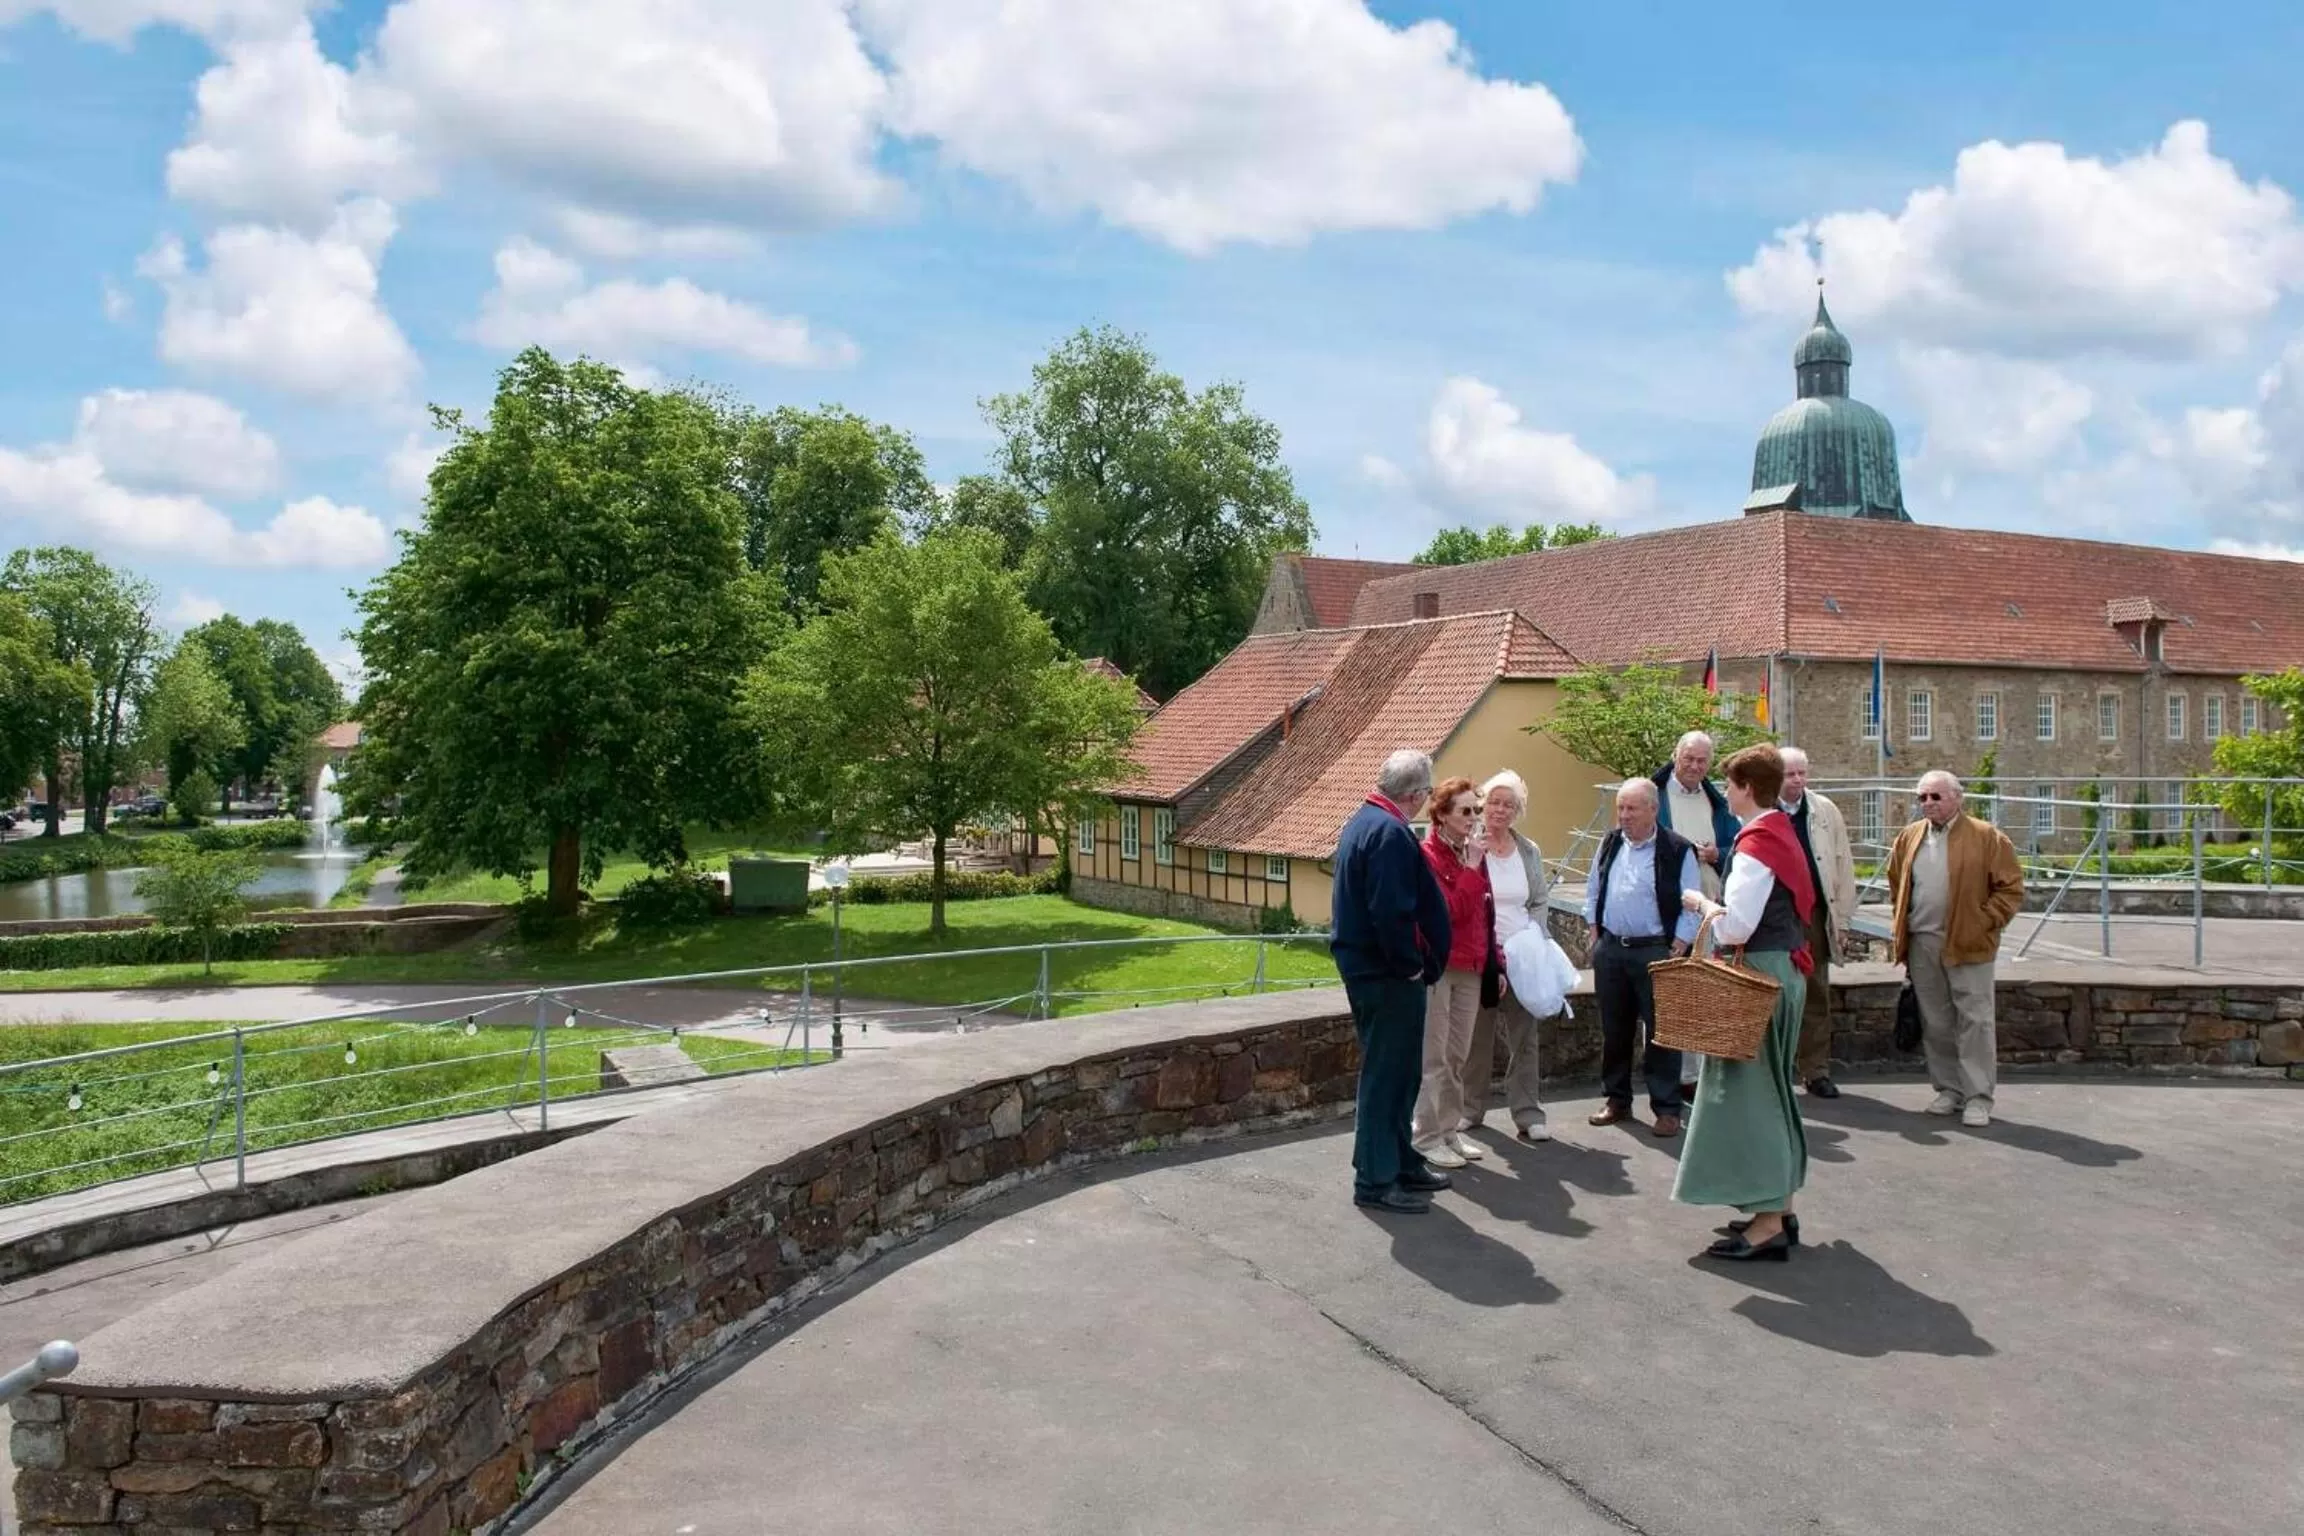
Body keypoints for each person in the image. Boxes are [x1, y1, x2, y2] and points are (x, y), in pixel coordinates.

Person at [1676, 743, 1815, 1261]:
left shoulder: (1757, 843)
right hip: (1779, 968)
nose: (1726, 791)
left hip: (1759, 974)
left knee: (1753, 1096)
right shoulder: (1781, 831)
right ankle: (1773, 1208)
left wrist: (1701, 903)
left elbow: (1737, 924)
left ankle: (1771, 1220)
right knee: (1770, 1089)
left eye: (1730, 783)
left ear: (1746, 788)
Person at [1331, 750, 1456, 1214]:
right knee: (1387, 1076)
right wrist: (1410, 964)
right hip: (1386, 976)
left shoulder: (1369, 822)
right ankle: (1376, 1178)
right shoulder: (1387, 833)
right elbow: (1391, 913)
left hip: (1377, 972)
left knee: (1401, 1074)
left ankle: (1399, 1160)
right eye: (1427, 792)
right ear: (1416, 794)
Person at [1884, 771, 2023, 1128]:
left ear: (1957, 798)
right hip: (1923, 940)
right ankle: (1949, 1089)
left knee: (1975, 1020)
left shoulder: (1987, 837)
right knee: (1936, 1019)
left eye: (1936, 796)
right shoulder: (1909, 837)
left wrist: (1983, 921)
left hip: (1969, 941)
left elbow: (2010, 889)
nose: (1928, 803)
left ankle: (1978, 1096)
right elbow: (1896, 881)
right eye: (1922, 797)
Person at [1582, 778, 1703, 1136]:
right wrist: (1593, 931)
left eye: (1632, 808)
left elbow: (1692, 901)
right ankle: (1616, 1100)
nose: (1624, 815)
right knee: (1615, 1029)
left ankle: (1666, 1108)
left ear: (1654, 809)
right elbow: (1594, 888)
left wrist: (1679, 944)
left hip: (1656, 949)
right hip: (1612, 950)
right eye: (1620, 808)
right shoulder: (1609, 843)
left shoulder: (1678, 849)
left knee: (1662, 1033)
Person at [1412, 776, 1502, 1170]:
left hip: (1471, 966)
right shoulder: (1429, 856)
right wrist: (1470, 868)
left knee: (1458, 1055)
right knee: (1434, 1057)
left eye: (1475, 810)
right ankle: (1426, 1136)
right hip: (1441, 966)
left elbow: (1485, 914)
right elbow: (1447, 914)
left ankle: (1449, 1130)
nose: (1473, 818)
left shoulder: (1470, 853)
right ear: (1442, 816)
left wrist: (1495, 961)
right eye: (1465, 811)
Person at [1462, 770, 1554, 1143]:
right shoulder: (1468, 846)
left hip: (1521, 956)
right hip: (1480, 958)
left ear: (1518, 811)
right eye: (1495, 802)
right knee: (1475, 1039)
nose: (1500, 810)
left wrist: (1535, 934)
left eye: (1509, 805)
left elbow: (1539, 899)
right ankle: (1470, 1109)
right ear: (1483, 806)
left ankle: (1528, 1114)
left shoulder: (1527, 849)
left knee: (1525, 1039)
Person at [1653, 731, 1742, 1100]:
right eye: (1688, 758)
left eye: (1702, 761)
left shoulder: (1716, 801)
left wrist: (1715, 854)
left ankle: (1697, 1076)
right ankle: (1671, 1075)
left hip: (1709, 909)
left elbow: (1737, 846)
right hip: (1669, 911)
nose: (1694, 766)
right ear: (1675, 755)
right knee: (1668, 996)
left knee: (1703, 994)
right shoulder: (1655, 797)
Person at [1779, 747, 1859, 1098]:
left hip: (1813, 914)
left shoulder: (1825, 810)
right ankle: (1777, 1072)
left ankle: (1815, 1070)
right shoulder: (1762, 810)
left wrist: (1841, 921)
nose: (1797, 780)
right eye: (1789, 774)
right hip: (1776, 916)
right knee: (1775, 995)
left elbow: (1843, 865)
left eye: (1802, 773)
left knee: (1815, 993)